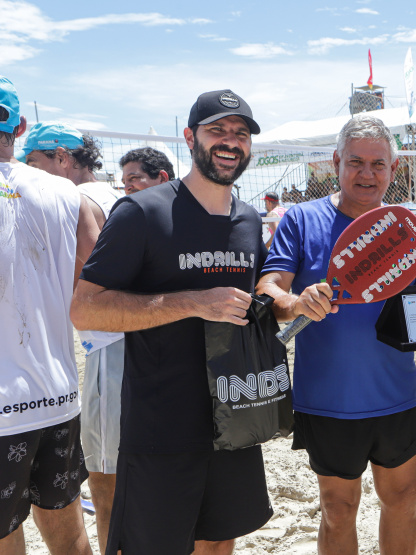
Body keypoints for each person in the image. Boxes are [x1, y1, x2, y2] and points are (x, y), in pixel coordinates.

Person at [70, 89, 273, 555]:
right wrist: (193, 302)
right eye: (216, 130)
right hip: (162, 423)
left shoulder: (248, 219)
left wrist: (293, 304)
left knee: (220, 541)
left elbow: (255, 304)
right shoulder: (142, 212)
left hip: (234, 415)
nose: (230, 142)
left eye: (240, 134)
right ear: (189, 137)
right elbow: (86, 308)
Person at [256, 114, 416, 554]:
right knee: (338, 510)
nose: (367, 174)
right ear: (335, 162)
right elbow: (269, 288)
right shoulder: (301, 220)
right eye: (356, 162)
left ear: (393, 170)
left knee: (402, 500)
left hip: (395, 394)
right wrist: (297, 303)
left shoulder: (407, 229)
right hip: (327, 399)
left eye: (378, 164)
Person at [19, 120, 127, 552]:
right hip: (126, 344)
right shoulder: (113, 194)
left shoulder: (77, 200)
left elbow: (94, 286)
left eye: (34, 162)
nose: (28, 172)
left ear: (62, 159)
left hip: (108, 346)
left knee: (104, 477)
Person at [0, 75, 97, 555]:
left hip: (1, 406)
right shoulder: (67, 194)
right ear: (18, 127)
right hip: (57, 395)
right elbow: (96, 294)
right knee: (66, 525)